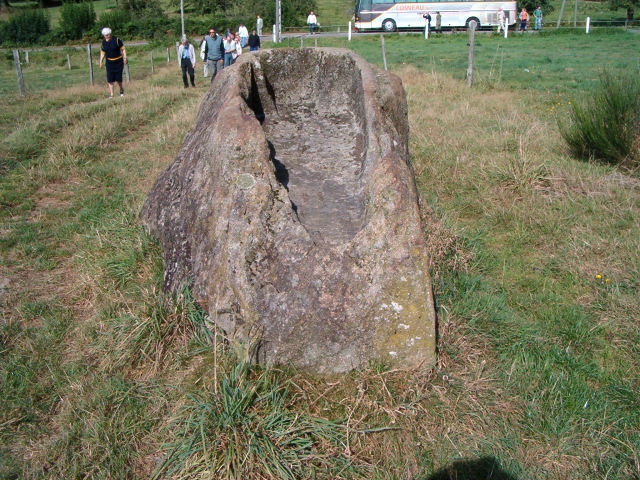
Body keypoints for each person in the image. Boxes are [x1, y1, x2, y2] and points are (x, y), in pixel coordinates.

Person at [98, 27, 127, 98]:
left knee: (118, 78)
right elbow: (102, 52)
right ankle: (111, 94)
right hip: (109, 62)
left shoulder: (117, 40)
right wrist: (100, 61)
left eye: (108, 34)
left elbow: (123, 49)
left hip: (118, 62)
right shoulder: (103, 42)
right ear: (104, 35)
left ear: (110, 34)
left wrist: (125, 58)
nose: (107, 36)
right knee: (110, 79)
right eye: (106, 35)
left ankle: (121, 89)